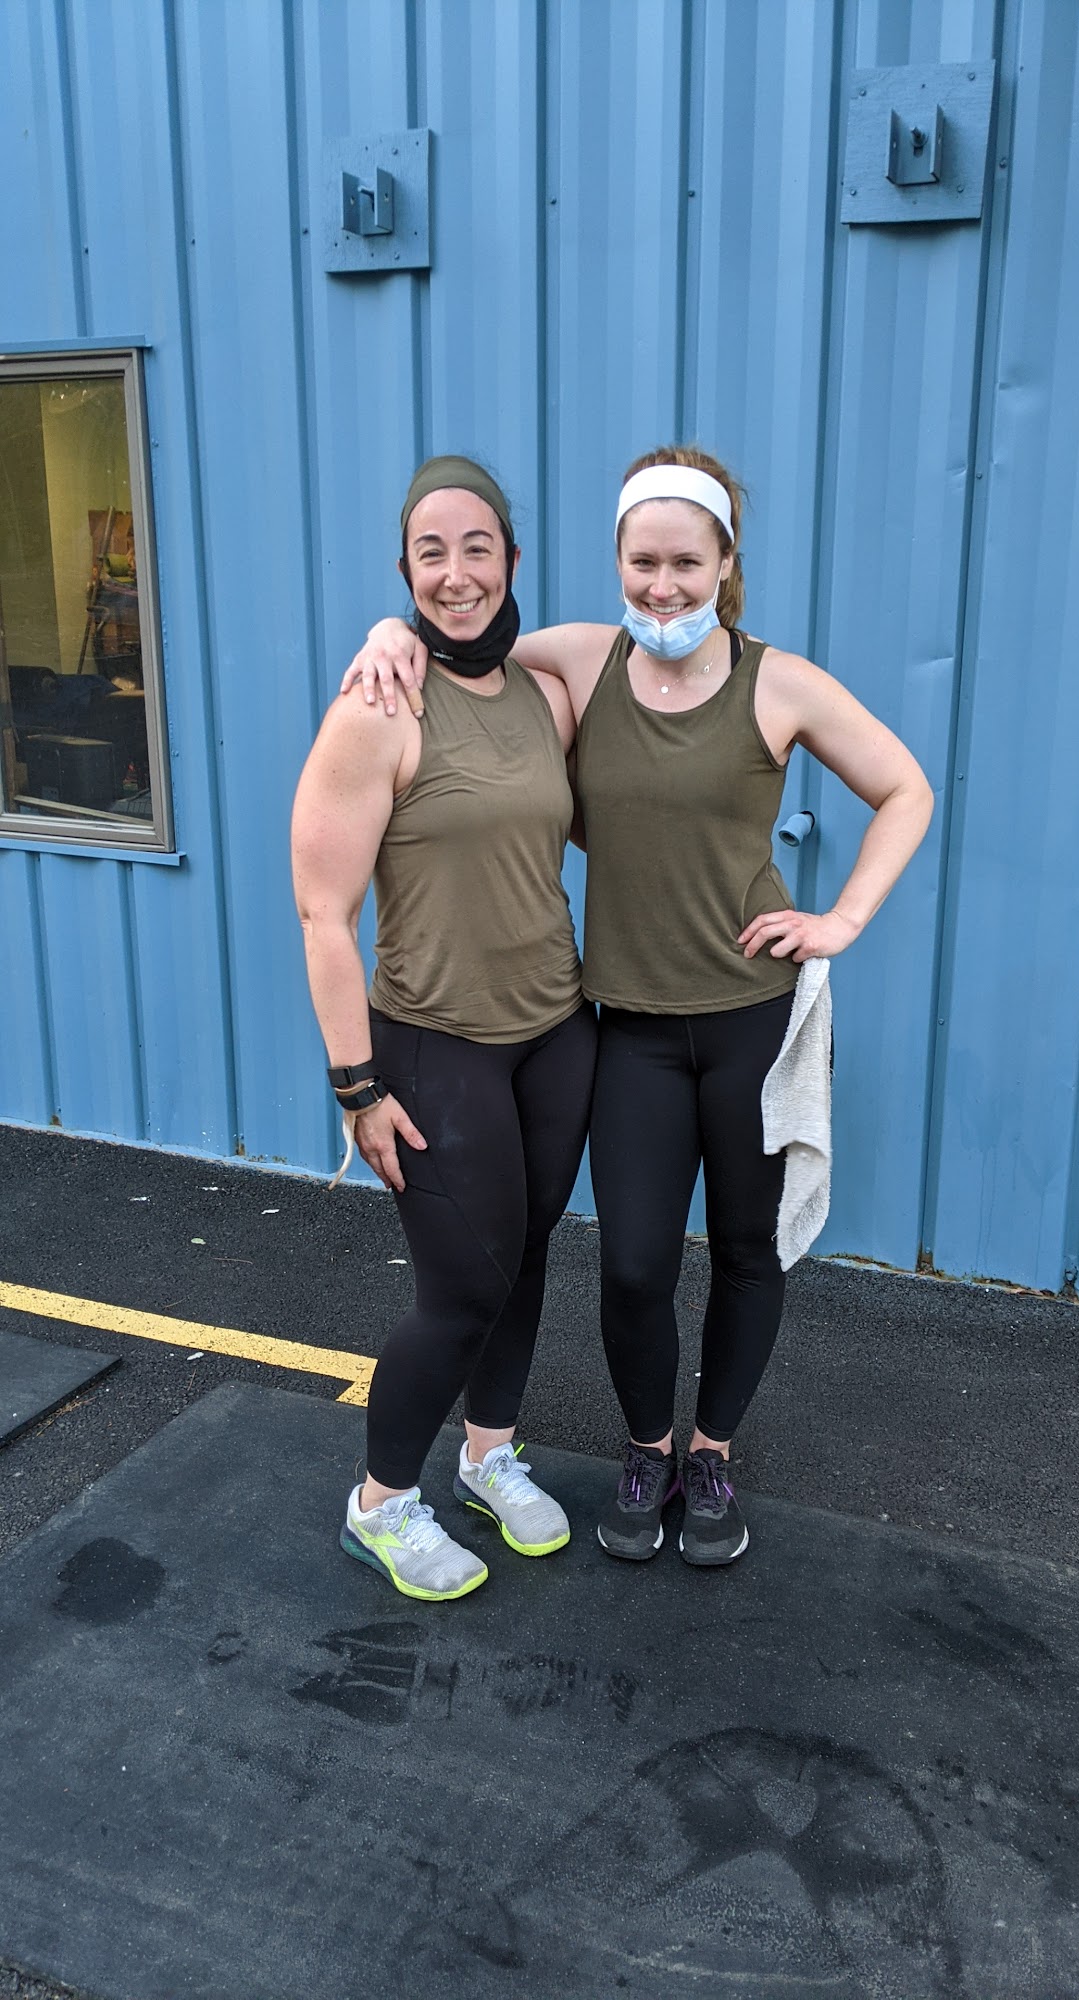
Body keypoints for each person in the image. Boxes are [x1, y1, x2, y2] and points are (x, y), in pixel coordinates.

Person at [342, 445, 933, 1569]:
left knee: (748, 1253)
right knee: (633, 1266)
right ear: (617, 560)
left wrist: (842, 918)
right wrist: (385, 631)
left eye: (685, 564)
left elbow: (905, 786)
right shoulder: (582, 657)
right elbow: (460, 626)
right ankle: (648, 1449)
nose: (663, 586)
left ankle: (710, 1456)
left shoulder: (780, 683)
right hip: (631, 1030)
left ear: (725, 564)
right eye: (643, 562)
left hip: (755, 1020)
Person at [292, 455, 597, 1602]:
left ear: (512, 558)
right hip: (435, 1041)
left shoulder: (546, 692)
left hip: (556, 1033)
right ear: (406, 569)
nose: (457, 573)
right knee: (462, 1288)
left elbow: (637, 657)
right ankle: (379, 1503)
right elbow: (324, 911)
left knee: (524, 1257)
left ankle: (487, 1454)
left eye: (478, 547)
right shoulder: (378, 706)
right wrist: (357, 1087)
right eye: (432, 552)